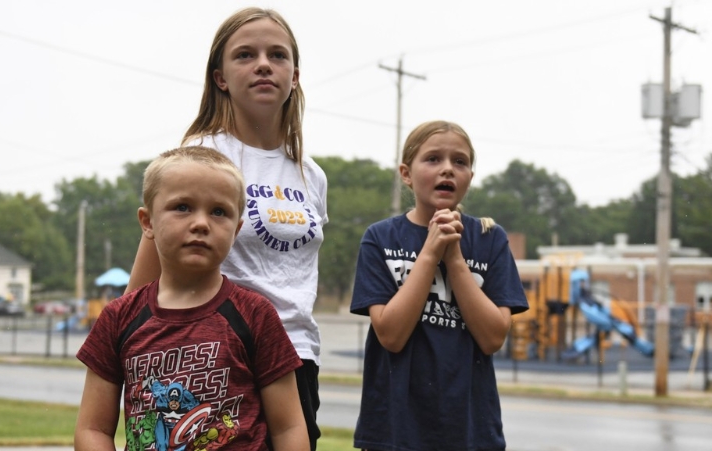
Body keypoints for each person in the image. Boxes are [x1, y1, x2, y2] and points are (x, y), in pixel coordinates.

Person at [125, 7, 327, 450]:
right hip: (215, 350)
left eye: (277, 55)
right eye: (244, 55)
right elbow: (142, 285)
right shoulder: (200, 157)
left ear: (294, 76)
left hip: (296, 356)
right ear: (220, 77)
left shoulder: (311, 175)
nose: (262, 64)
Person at [75, 146, 308, 451]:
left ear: (237, 229)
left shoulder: (255, 314)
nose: (201, 223)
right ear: (148, 222)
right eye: (182, 207)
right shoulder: (119, 318)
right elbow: (92, 429)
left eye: (219, 212)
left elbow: (289, 427)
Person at [349, 120, 530, 451]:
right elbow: (390, 335)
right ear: (406, 173)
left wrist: (455, 259)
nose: (447, 169)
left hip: (471, 431)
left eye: (459, 162)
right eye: (433, 159)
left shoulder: (490, 240)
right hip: (394, 431)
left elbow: (492, 338)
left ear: (470, 178)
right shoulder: (380, 238)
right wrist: (431, 251)